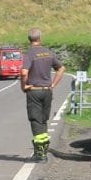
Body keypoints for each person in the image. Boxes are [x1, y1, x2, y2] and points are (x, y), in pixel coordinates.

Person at [20, 28, 63, 160]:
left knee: (35, 120)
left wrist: (24, 86)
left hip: (34, 91)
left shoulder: (29, 54)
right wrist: (53, 84)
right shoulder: (48, 53)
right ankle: (44, 148)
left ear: (29, 39)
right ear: (40, 38)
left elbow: (23, 73)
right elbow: (61, 68)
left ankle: (40, 153)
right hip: (47, 91)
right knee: (43, 120)